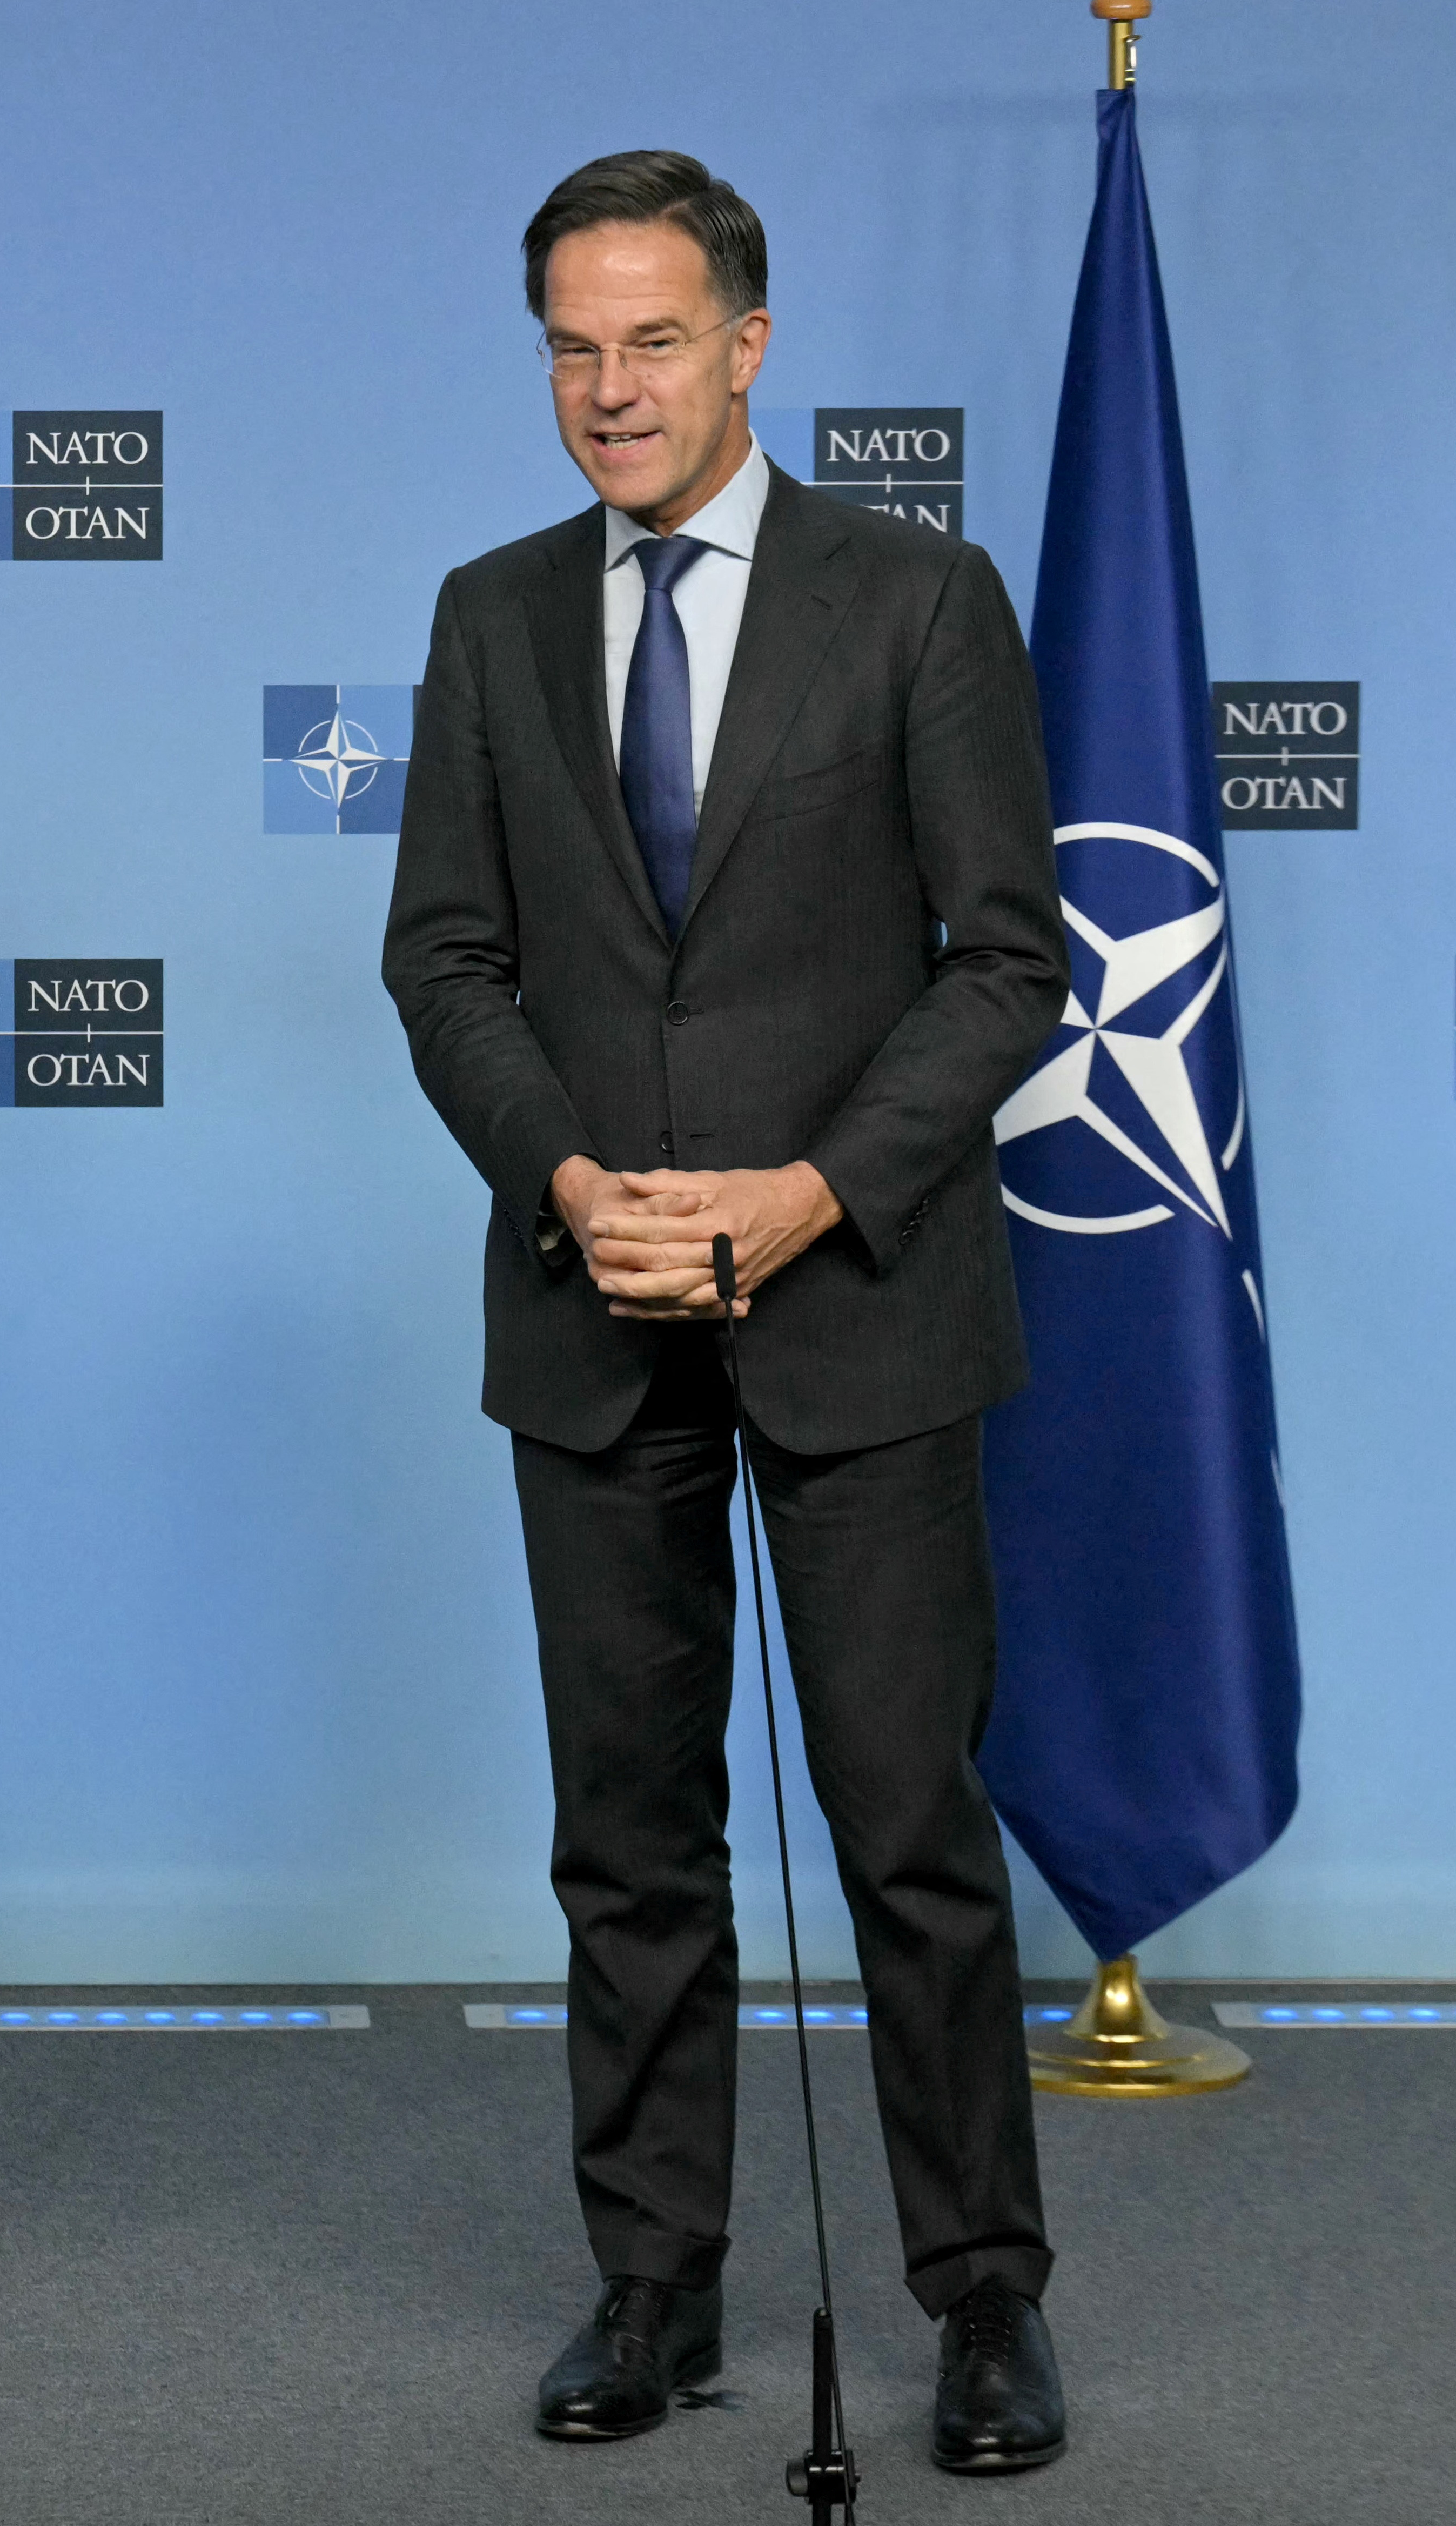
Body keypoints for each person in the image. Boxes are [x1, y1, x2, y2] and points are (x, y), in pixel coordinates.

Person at [381, 153, 1076, 2474]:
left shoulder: (922, 598)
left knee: (909, 1832)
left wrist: (811, 1195)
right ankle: (653, 2283)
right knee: (629, 1840)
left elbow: (1007, 965)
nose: (612, 388)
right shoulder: (490, 615)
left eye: (655, 340)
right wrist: (576, 1185)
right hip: (595, 1314)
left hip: (860, 1306)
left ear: (749, 345)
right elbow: (444, 962)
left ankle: (984, 2296)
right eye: (573, 348)